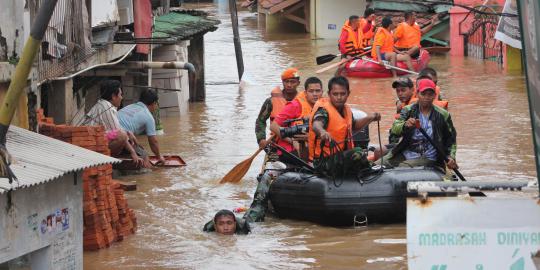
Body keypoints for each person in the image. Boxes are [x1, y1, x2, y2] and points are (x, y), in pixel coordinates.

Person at [308, 76, 381, 177]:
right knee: (358, 151)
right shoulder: (323, 110)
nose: (339, 97)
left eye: (342, 94)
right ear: (329, 94)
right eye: (335, 94)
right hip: (323, 162)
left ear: (348, 94)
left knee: (359, 150)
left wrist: (371, 117)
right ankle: (367, 171)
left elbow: (354, 125)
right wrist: (322, 132)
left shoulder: (346, 110)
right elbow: (316, 124)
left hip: (338, 157)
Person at [383, 79, 458, 170]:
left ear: (434, 95)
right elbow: (395, 128)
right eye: (423, 94)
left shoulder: (443, 115)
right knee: (377, 165)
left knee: (402, 168)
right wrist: (405, 125)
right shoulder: (408, 110)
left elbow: (451, 139)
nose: (426, 97)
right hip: (406, 152)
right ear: (418, 94)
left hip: (429, 156)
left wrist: (451, 157)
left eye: (430, 94)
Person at [80, 80, 147, 167]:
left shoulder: (103, 104)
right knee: (122, 135)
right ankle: (109, 159)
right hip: (91, 145)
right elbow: (119, 134)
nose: (121, 98)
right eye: (120, 95)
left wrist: (128, 133)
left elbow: (115, 132)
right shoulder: (106, 107)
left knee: (125, 135)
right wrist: (133, 152)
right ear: (113, 96)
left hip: (94, 141)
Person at [269, 77, 323, 161]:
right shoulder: (295, 105)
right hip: (291, 149)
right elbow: (273, 126)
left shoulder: (325, 106)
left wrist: (311, 137)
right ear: (305, 93)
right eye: (311, 91)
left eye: (318, 91)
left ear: (322, 92)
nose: (315, 94)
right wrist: (292, 141)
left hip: (312, 146)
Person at [255, 68, 300, 151]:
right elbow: (260, 121)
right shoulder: (271, 101)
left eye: (292, 82)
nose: (289, 85)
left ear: (298, 83)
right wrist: (261, 139)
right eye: (286, 82)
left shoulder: (303, 101)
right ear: (283, 83)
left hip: (299, 144)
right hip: (276, 144)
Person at [118, 89, 165, 164]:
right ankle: (151, 174)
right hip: (121, 137)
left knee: (140, 149)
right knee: (145, 156)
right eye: (157, 104)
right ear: (154, 103)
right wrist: (159, 157)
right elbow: (153, 141)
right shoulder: (148, 116)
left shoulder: (130, 106)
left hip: (111, 134)